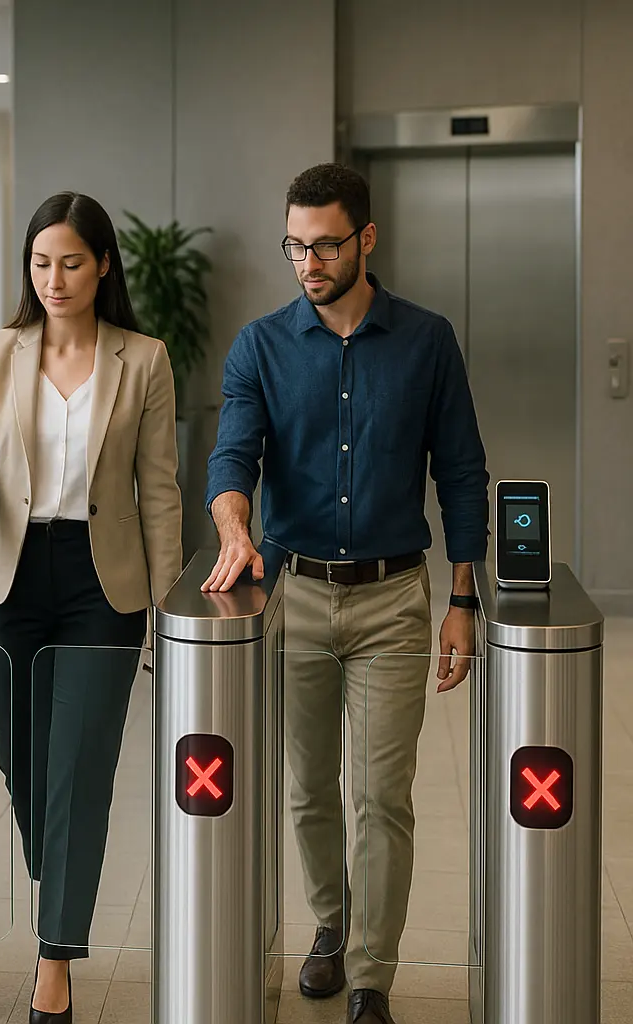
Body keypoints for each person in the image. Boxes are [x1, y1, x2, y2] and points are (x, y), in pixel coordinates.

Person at [203, 163, 488, 1024]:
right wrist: (233, 524)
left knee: (381, 795)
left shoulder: (427, 340)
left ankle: (371, 975)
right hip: (295, 595)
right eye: (295, 244)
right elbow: (231, 457)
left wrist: (463, 599)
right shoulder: (260, 345)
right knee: (307, 789)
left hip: (395, 599)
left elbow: (464, 473)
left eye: (324, 244)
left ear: (365, 238)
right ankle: (330, 927)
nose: (307, 262)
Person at [0, 192, 183, 1024]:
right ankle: (62, 884)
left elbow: (160, 492)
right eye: (41, 263)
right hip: (12, 578)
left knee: (78, 768)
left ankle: (54, 960)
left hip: (102, 585)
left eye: (71, 262)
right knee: (23, 765)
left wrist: (172, 609)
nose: (54, 278)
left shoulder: (143, 358)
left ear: (103, 264)